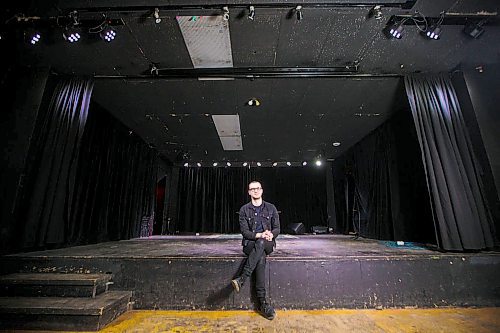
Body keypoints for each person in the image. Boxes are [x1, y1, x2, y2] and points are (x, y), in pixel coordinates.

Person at [231, 181, 280, 320]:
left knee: (262, 243)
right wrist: (260, 235)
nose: (256, 191)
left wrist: (271, 234)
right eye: (253, 189)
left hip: (267, 243)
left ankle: (242, 279)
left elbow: (277, 228)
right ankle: (263, 303)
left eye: (258, 188)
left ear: (262, 190)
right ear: (249, 192)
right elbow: (245, 232)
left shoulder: (271, 208)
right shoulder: (244, 210)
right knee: (261, 256)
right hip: (250, 244)